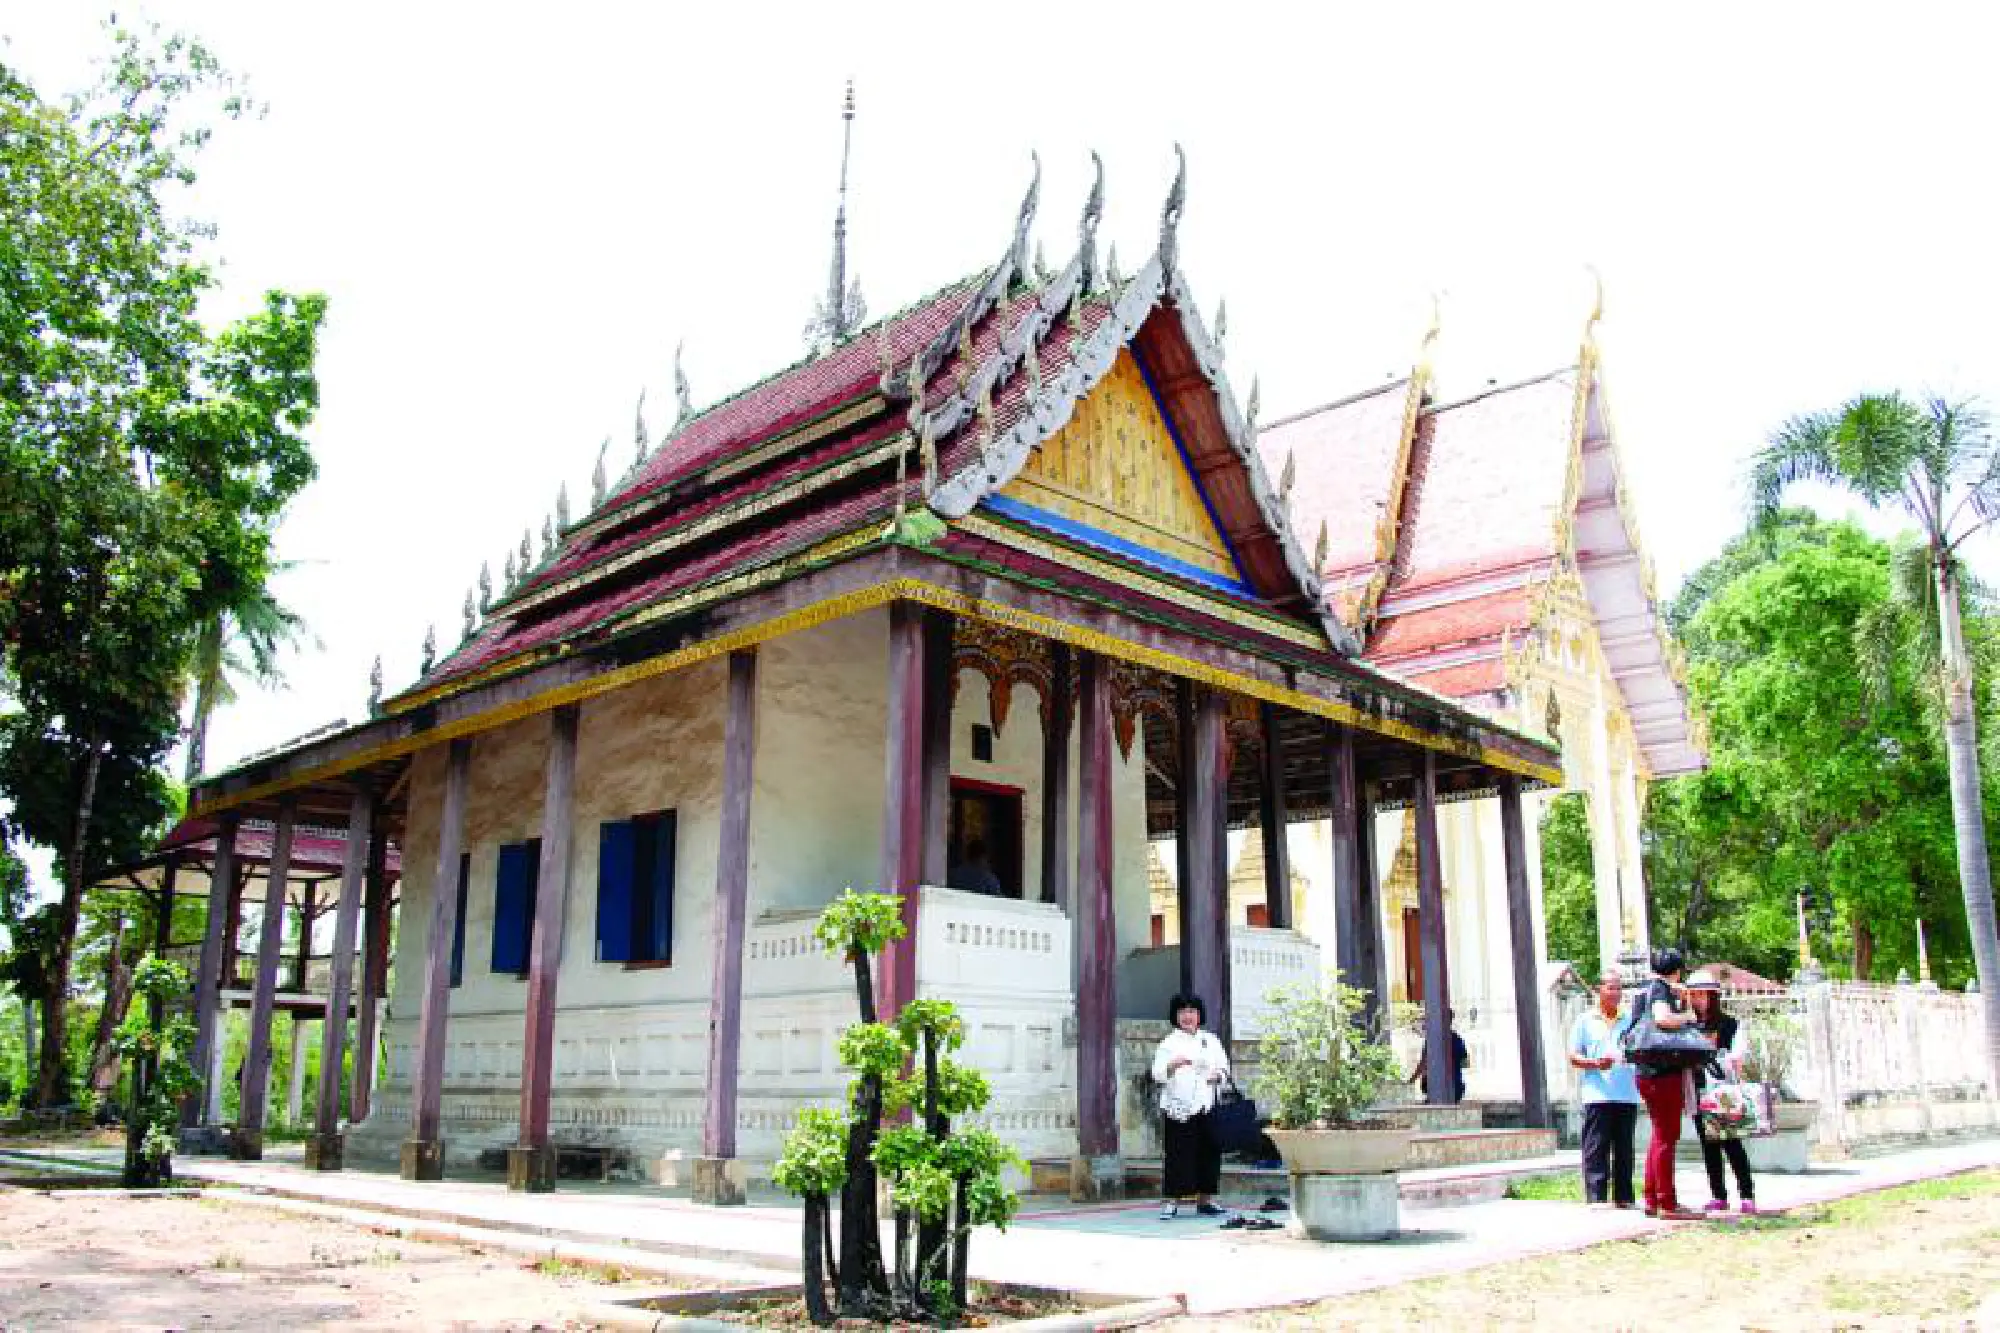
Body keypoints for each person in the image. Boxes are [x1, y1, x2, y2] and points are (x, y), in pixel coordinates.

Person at [1633, 946, 1701, 1219]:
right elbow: (1662, 1019)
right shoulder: (1660, 990)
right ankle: (1666, 1202)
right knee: (1667, 1136)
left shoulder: (1643, 991)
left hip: (1646, 1071)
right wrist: (1687, 1016)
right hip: (1662, 1072)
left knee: (1659, 1136)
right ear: (1676, 971)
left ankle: (1652, 1198)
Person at [1151, 991, 1230, 1221]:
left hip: (1207, 1104)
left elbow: (1225, 1069)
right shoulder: (1169, 1043)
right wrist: (1172, 1066)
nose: (1188, 1016)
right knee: (1178, 1155)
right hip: (1179, 1108)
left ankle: (1205, 1201)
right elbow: (1157, 1074)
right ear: (1176, 1016)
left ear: (1199, 1015)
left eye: (1192, 1011)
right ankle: (1172, 1202)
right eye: (1183, 1011)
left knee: (1209, 1154)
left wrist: (1219, 1075)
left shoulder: (1211, 1040)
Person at [1686, 968, 1757, 1215]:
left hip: (1724, 1090)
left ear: (1714, 997)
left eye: (1704, 995)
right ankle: (1718, 1195)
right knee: (1709, 1145)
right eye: (1694, 996)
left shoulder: (1730, 1025)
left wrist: (1723, 1059)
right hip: (1698, 1090)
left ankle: (1747, 1194)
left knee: (1732, 1142)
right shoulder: (1686, 1025)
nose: (1699, 1001)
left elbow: (1737, 1057)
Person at [1568, 969, 1640, 1208]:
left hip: (1626, 1093)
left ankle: (1624, 1196)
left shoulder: (1630, 1020)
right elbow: (1574, 1056)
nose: (1615, 993)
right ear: (1598, 990)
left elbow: (1638, 1050)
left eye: (1619, 988)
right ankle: (1596, 1196)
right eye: (1610, 987)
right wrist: (1596, 1063)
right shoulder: (1585, 1021)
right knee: (1596, 1147)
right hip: (1597, 1094)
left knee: (1624, 1148)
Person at [1411, 1007, 1470, 1103]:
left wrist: (1410, 1082)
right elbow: (1465, 1064)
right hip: (1456, 1090)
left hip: (1436, 1090)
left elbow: (1423, 1065)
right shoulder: (1458, 1040)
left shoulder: (1431, 1040)